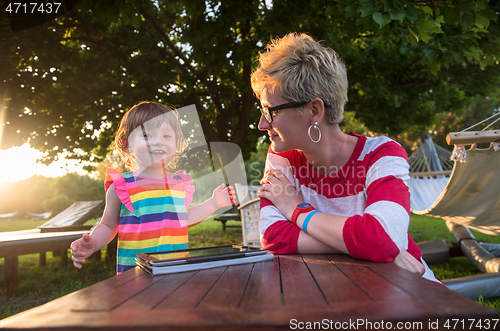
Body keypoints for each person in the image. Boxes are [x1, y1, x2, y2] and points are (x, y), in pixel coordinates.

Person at [251, 33, 439, 282]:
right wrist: (375, 249)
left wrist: (297, 211)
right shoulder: (281, 154)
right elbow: (274, 236)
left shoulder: (382, 154)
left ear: (314, 110)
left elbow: (381, 238)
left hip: (414, 294)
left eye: (270, 111)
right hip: (347, 294)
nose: (262, 124)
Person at [71, 101, 236, 273]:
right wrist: (93, 242)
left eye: (166, 136)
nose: (159, 142)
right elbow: (107, 225)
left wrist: (213, 203)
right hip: (134, 275)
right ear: (126, 143)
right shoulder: (122, 186)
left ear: (177, 144)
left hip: (176, 272)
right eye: (147, 135)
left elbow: (184, 218)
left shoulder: (178, 185)